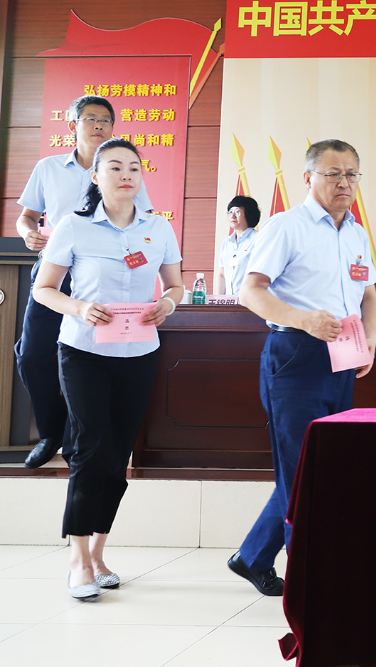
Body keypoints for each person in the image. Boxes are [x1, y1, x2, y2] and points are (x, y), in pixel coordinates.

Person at [32, 138, 182, 599]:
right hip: (83, 352)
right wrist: (79, 308)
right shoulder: (74, 227)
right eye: (114, 167)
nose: (126, 175)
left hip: (139, 353)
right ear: (95, 176)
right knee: (90, 448)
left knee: (118, 456)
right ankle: (77, 560)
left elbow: (175, 286)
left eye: (134, 167)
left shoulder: (158, 228)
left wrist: (166, 305)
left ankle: (98, 553)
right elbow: (43, 289)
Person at [230, 139, 376, 596]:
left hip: (344, 355)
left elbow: (369, 296)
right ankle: (308, 580)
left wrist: (371, 340)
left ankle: (253, 556)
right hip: (295, 354)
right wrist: (302, 319)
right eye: (333, 173)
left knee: (322, 464)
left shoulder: (356, 233)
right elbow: (250, 291)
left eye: (352, 174)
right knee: (302, 470)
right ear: (308, 178)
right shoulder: (286, 226)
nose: (344, 182)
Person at [15, 95, 153, 470]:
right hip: (54, 273)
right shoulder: (48, 168)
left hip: (100, 277)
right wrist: (28, 233)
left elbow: (144, 220)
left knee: (88, 358)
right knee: (31, 355)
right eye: (90, 118)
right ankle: (52, 432)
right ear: (72, 125)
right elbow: (27, 217)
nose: (99, 125)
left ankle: (82, 439)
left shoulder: (121, 169)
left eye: (106, 120)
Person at [213, 195, 261, 296]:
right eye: (230, 212)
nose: (232, 216)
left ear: (248, 214)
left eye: (237, 212)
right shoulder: (226, 242)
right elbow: (221, 274)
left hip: (249, 300)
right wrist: (218, 300)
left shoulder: (258, 239)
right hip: (228, 302)